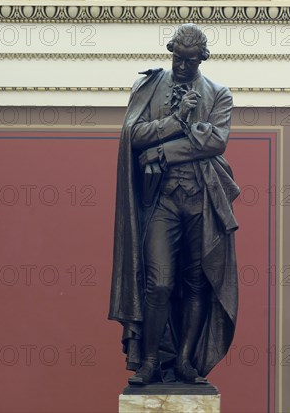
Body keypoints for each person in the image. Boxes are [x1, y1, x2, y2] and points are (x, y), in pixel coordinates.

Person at [109, 24, 240, 385]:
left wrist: (161, 151)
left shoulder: (219, 94)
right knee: (160, 284)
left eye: (189, 60)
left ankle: (185, 361)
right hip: (163, 200)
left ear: (202, 58)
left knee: (197, 283)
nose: (181, 66)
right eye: (176, 58)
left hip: (201, 200)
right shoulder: (150, 86)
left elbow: (216, 143)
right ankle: (150, 361)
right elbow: (134, 136)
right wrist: (179, 120)